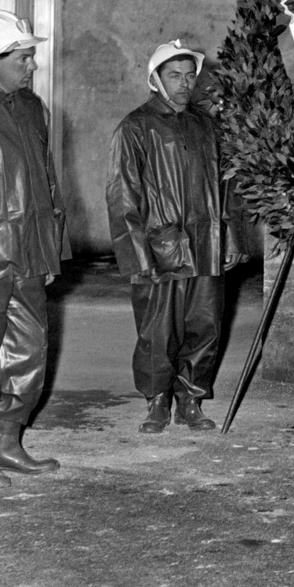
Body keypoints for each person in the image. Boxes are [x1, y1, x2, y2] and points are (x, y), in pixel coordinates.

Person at [107, 40, 244, 433]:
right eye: (174, 76)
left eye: (189, 76)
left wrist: (231, 236)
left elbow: (227, 185)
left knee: (205, 325)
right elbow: (122, 195)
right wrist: (137, 257)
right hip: (160, 246)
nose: (185, 84)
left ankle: (191, 399)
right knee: (157, 331)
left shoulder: (207, 125)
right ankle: (157, 400)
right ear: (155, 80)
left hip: (207, 244)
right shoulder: (136, 127)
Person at [0, 11, 64, 487]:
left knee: (29, 353)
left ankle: (8, 439)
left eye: (31, 57)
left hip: (29, 252)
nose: (31, 66)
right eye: (23, 58)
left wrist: (50, 249)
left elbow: (46, 182)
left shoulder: (31, 107)